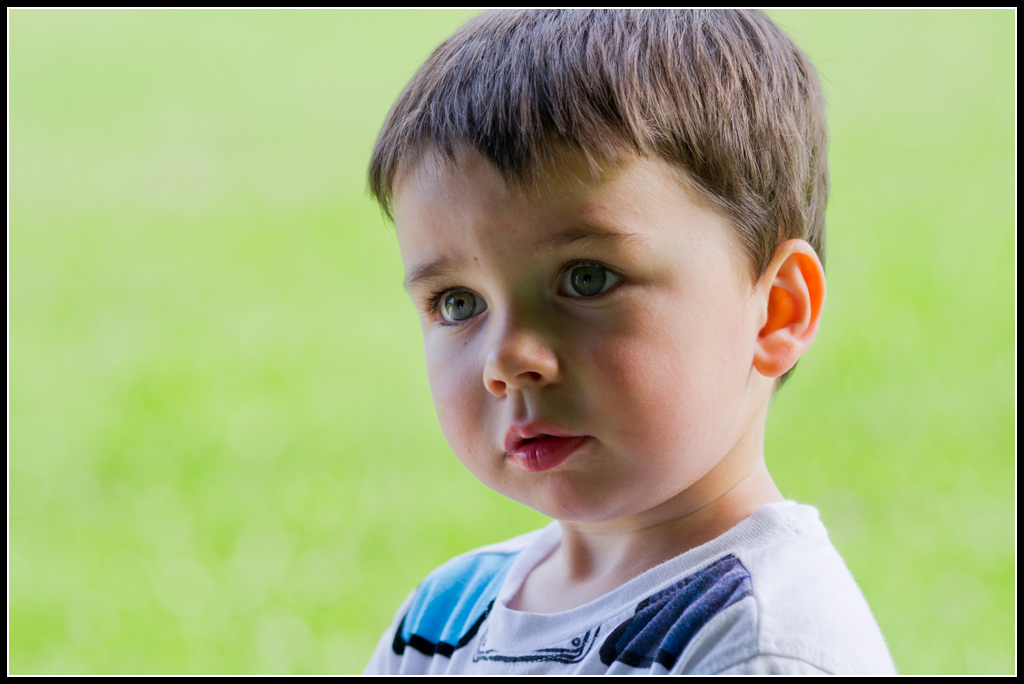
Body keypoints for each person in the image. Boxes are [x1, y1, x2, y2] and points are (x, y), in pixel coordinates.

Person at [362, 9, 895, 675]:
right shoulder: (445, 619)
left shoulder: (757, 646)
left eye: (587, 280)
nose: (507, 359)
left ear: (774, 312)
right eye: (458, 302)